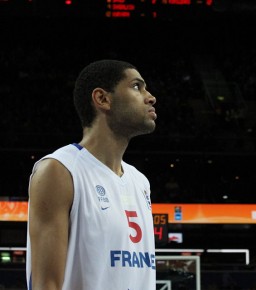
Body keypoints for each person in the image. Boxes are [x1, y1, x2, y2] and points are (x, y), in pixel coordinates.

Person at [26, 59, 158, 290]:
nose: (150, 97)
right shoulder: (60, 170)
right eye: (137, 86)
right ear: (102, 99)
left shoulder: (140, 182)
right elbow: (46, 284)